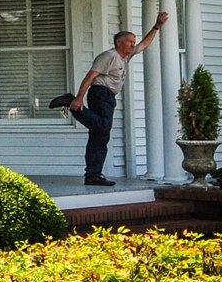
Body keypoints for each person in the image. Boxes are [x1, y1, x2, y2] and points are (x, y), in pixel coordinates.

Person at [50, 12, 168, 186]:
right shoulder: (109, 56)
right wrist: (79, 98)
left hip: (108, 96)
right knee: (103, 127)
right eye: (130, 42)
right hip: (101, 93)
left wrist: (157, 26)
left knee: (99, 136)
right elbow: (91, 76)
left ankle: (93, 175)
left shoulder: (124, 57)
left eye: (133, 42)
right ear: (119, 42)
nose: (133, 45)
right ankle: (71, 102)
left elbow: (144, 44)